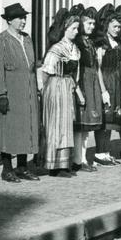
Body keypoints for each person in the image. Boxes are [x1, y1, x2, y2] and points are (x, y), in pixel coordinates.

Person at [0, 3, 41, 183]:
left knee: (25, 129)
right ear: (10, 21)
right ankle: (7, 169)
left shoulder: (27, 39)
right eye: (20, 18)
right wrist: (0, 94)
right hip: (10, 92)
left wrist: (37, 86)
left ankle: (22, 167)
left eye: (24, 18)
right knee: (8, 130)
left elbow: (32, 67)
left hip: (27, 92)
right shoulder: (1, 40)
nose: (23, 21)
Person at [39, 11, 82, 177]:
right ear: (65, 28)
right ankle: (53, 166)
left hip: (67, 87)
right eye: (74, 28)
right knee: (55, 125)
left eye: (77, 28)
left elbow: (74, 75)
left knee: (66, 125)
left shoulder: (75, 49)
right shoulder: (56, 49)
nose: (76, 31)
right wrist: (47, 91)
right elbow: (45, 73)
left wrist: (76, 91)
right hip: (55, 86)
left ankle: (64, 164)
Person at [94, 8, 121, 164]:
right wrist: (103, 90)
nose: (117, 30)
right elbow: (98, 68)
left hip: (117, 82)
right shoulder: (102, 44)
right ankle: (99, 152)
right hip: (107, 81)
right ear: (107, 25)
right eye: (114, 26)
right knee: (105, 118)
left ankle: (106, 150)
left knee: (111, 120)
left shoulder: (118, 43)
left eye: (119, 27)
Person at [72, 6, 103, 172]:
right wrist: (78, 90)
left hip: (91, 83)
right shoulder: (77, 43)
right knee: (80, 124)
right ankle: (78, 159)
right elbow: (74, 68)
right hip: (82, 82)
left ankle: (82, 157)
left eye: (93, 24)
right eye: (89, 23)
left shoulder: (90, 42)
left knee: (87, 125)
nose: (92, 26)